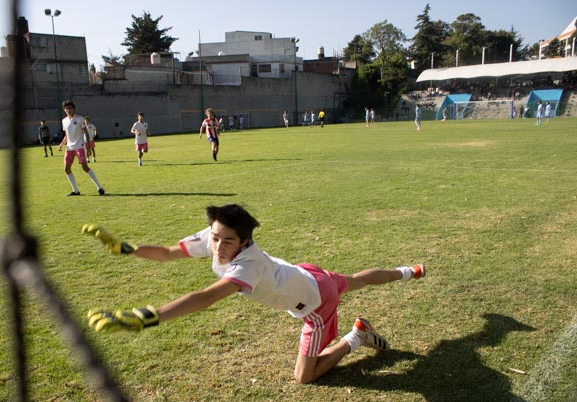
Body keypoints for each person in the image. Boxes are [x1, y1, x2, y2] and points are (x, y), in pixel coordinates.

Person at [82, 204, 426, 384]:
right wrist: (128, 249)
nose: (217, 246)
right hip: (306, 274)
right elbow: (169, 253)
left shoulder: (247, 265)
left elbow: (205, 297)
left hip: (317, 305)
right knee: (355, 280)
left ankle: (356, 337)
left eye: (227, 241)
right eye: (215, 237)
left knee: (304, 378)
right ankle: (409, 271)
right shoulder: (217, 234)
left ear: (244, 241)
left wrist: (146, 316)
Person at [57, 100, 105, 197]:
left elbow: (86, 133)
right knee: (66, 169)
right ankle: (75, 191)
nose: (68, 110)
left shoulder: (80, 119)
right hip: (69, 148)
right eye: (66, 109)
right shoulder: (64, 121)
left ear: (73, 108)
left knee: (85, 167)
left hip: (79, 147)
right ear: (64, 110)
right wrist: (61, 144)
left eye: (70, 108)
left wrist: (88, 147)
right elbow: (67, 135)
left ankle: (99, 187)